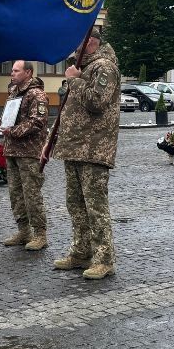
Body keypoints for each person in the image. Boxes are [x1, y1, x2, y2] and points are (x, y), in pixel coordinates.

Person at [51, 27, 120, 279]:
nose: (74, 44)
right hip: (75, 147)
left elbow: (97, 101)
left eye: (78, 39)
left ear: (90, 40)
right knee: (76, 205)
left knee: (95, 207)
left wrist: (74, 80)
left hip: (93, 149)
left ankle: (104, 258)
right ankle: (81, 251)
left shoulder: (105, 67)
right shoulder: (85, 67)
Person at [0, 61, 49, 251]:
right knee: (16, 194)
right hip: (12, 150)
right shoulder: (14, 92)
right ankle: (23, 230)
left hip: (29, 152)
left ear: (28, 72)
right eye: (12, 70)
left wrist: (13, 131)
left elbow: (38, 122)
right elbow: (12, 116)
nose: (12, 73)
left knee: (31, 194)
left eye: (16, 71)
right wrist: (1, 121)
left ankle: (40, 234)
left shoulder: (37, 94)